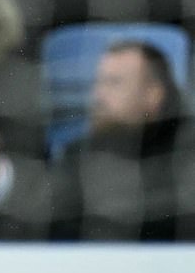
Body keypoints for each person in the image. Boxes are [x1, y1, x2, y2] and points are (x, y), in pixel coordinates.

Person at [49, 41, 193, 240]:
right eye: (98, 83)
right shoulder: (77, 153)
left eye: (114, 83)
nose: (98, 95)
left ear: (153, 94)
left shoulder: (186, 145)